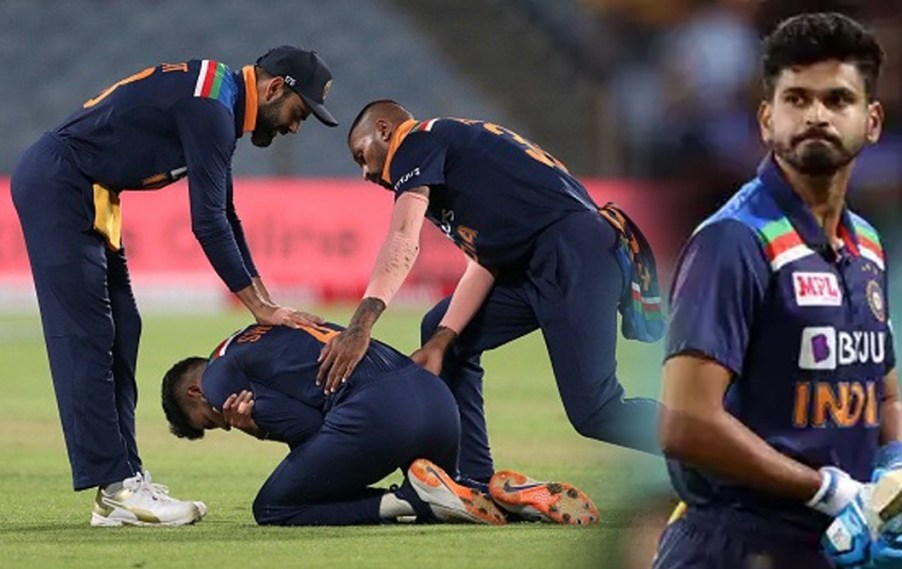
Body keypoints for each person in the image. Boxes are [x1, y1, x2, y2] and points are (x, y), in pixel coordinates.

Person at [653, 13, 902, 569]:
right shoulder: (735, 239)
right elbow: (685, 422)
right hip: (738, 545)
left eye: (838, 99)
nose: (816, 115)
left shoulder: (868, 245)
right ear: (767, 119)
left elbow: (885, 398)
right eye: (797, 99)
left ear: (872, 121)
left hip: (835, 546)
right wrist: (827, 490)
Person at [10, 45, 337, 527]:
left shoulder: (220, 100)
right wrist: (259, 308)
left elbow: (226, 214)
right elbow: (207, 223)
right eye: (299, 113)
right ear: (274, 89)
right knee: (87, 337)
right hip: (61, 184)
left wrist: (266, 303)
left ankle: (122, 481)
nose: (294, 127)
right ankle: (117, 487)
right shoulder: (211, 107)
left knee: (124, 328)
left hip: (88, 189)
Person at [317, 101, 665, 487]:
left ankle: (709, 439)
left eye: (361, 156)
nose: (365, 173)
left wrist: (360, 326)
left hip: (571, 253)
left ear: (384, 131)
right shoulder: (453, 152)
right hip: (547, 258)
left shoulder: (415, 142)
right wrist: (441, 341)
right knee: (442, 332)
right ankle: (474, 483)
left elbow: (402, 237)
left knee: (596, 410)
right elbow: (486, 262)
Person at [161, 322, 599, 526]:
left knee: (272, 509)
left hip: (380, 416)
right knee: (455, 495)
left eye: (212, 421)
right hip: (434, 400)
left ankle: (409, 500)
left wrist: (259, 428)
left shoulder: (217, 381)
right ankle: (499, 495)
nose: (225, 423)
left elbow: (310, 428)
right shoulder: (259, 332)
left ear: (196, 392)